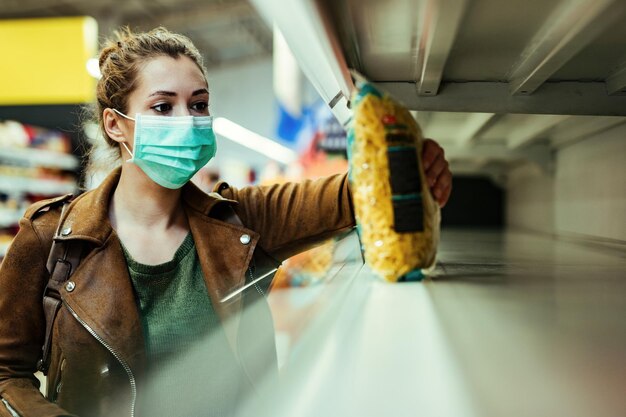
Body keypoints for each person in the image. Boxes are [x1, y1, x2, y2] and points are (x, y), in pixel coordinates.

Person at [0, 27, 451, 417]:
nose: (188, 121)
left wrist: (415, 167)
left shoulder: (242, 221)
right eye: (163, 107)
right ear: (116, 125)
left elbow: (357, 193)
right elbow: (6, 373)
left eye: (199, 105)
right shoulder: (53, 237)